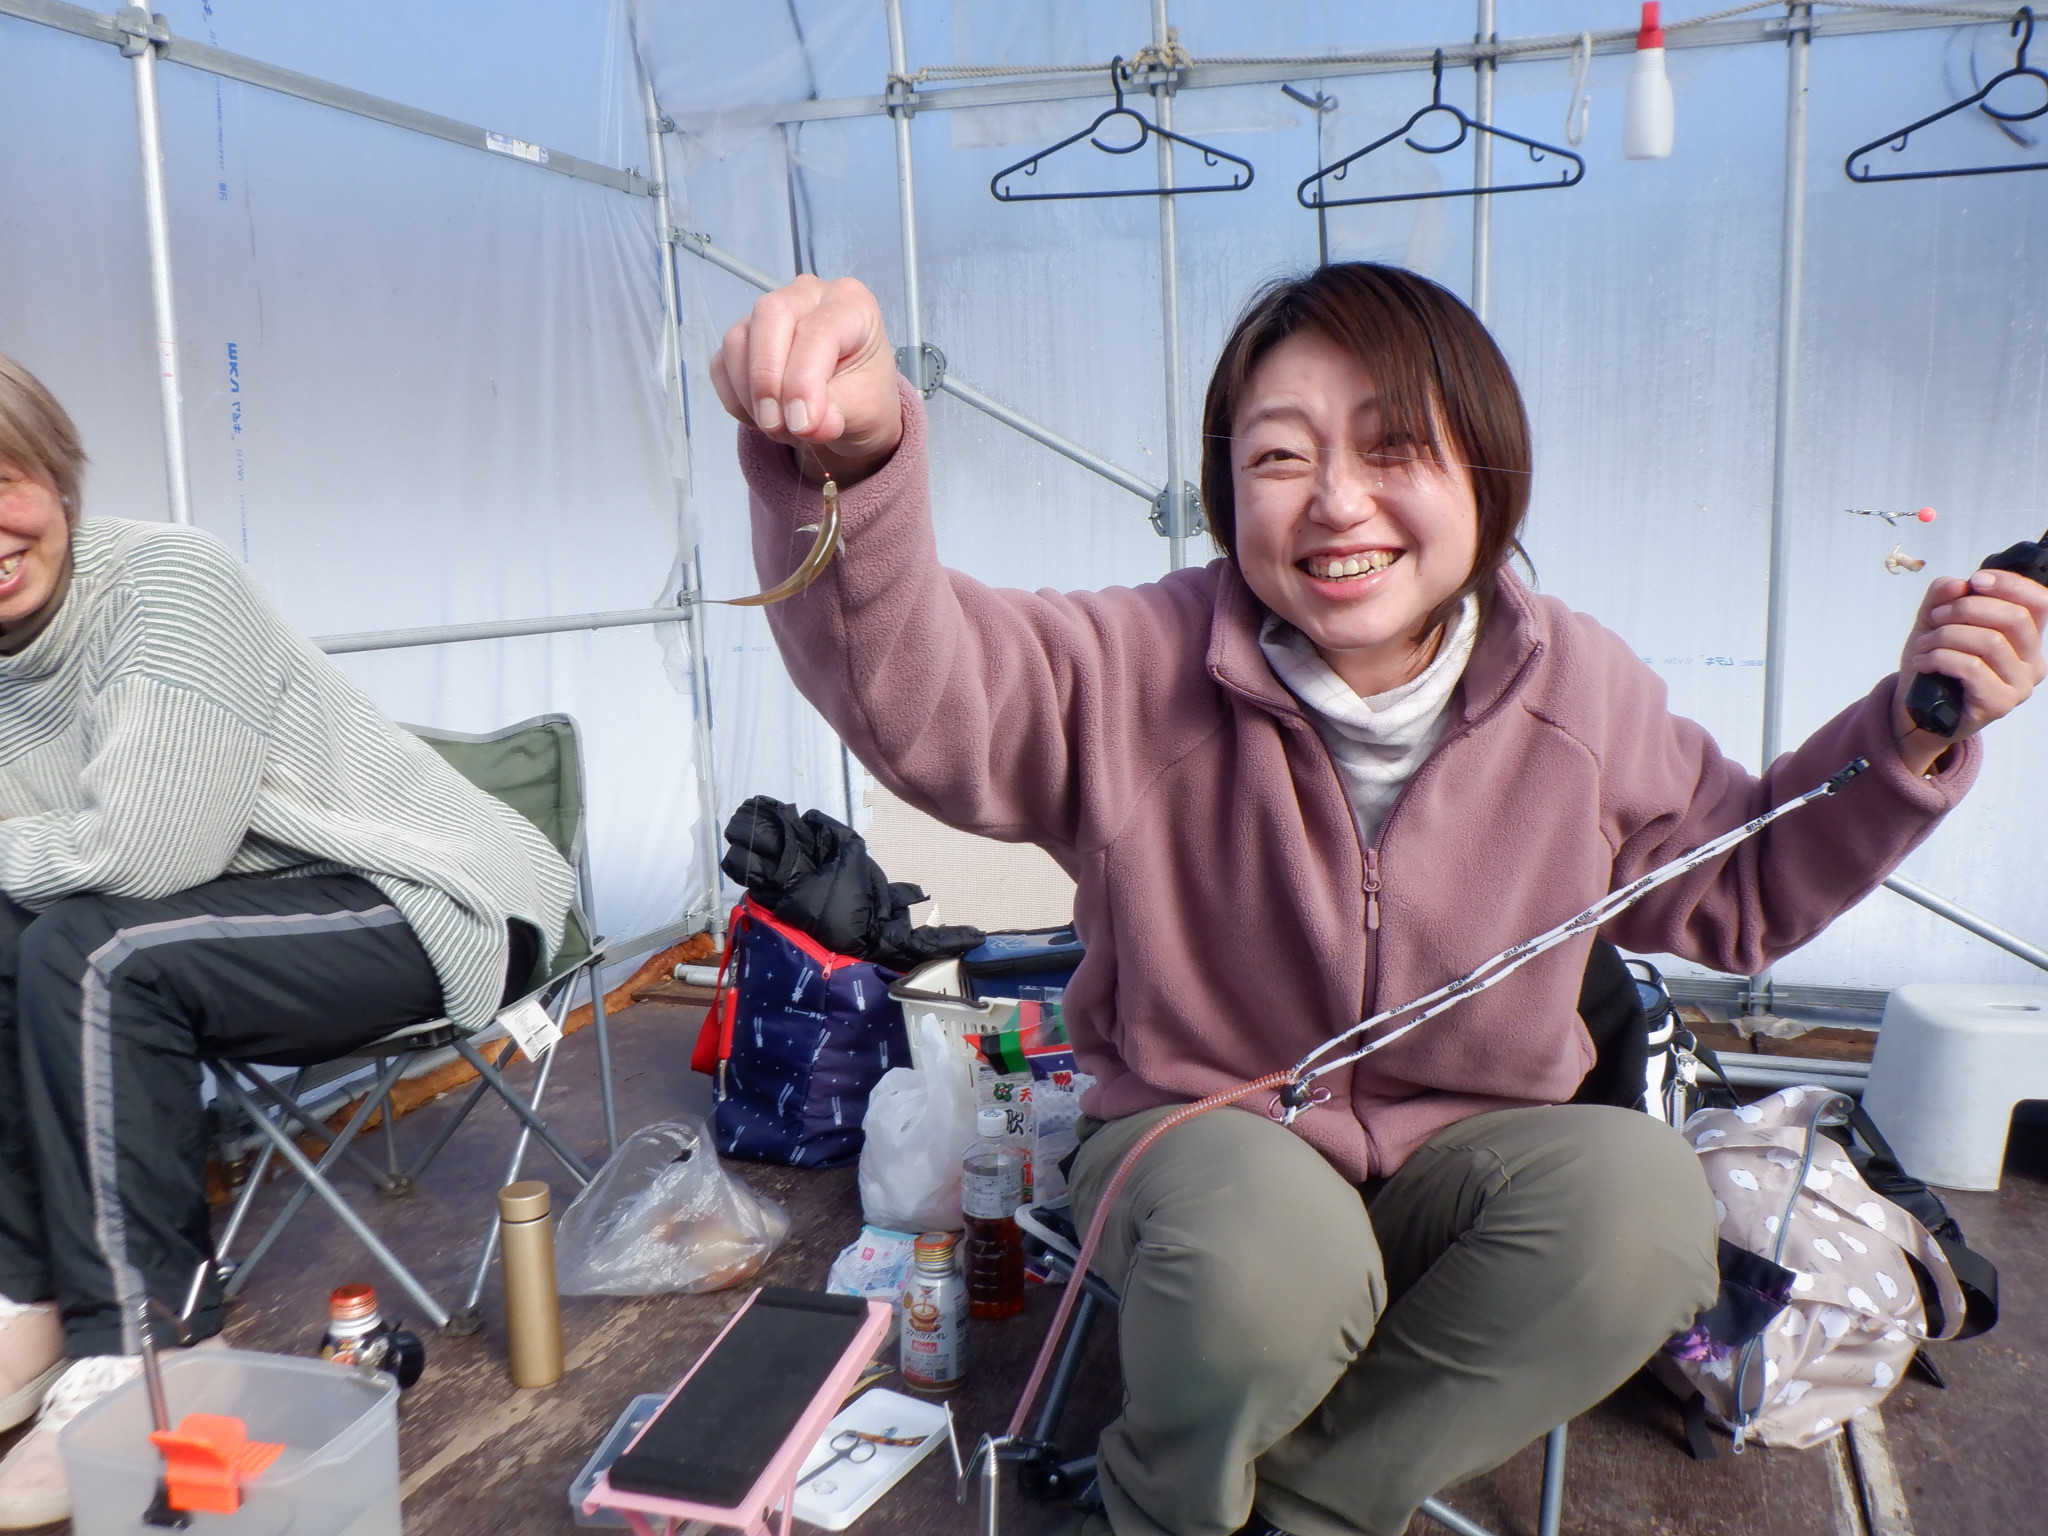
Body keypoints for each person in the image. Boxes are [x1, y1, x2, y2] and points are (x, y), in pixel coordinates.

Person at [715, 264, 2047, 1536]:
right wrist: (851, 465)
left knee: (1644, 1210)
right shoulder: (1129, 665)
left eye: (1394, 447)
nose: (1338, 503)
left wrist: (1909, 737)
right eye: (1279, 457)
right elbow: (923, 695)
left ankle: (1305, 1510)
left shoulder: (1583, 693)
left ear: (1487, 474)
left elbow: (1741, 885)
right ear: (1225, 492)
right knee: (1271, 1265)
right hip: (1202, 1142)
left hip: (1468, 1163)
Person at [0, 352, 577, 1528]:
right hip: (227, 914)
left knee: (94, 955)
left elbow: (145, 851)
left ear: (56, 476)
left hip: (427, 892)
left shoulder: (167, 582)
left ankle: (150, 1352)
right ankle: (26, 1295)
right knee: (41, 938)